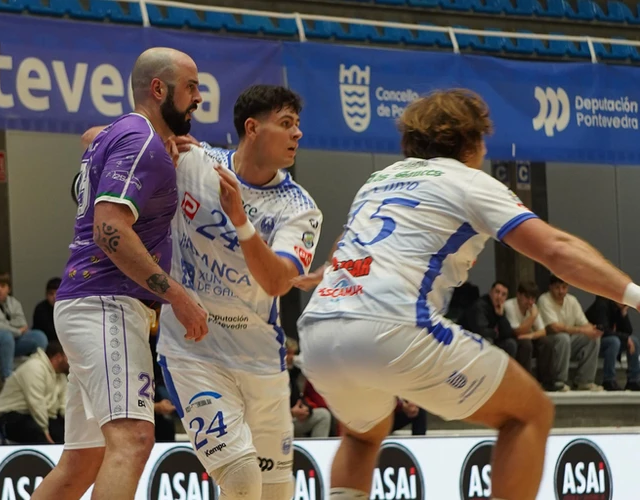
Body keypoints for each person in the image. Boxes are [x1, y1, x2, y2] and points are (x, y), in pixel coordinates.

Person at [295, 89, 640, 500]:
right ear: (471, 142)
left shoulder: (378, 180)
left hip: (320, 330)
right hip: (392, 326)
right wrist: (634, 294)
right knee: (529, 412)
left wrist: (326, 271)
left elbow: (345, 247)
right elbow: (556, 250)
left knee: (363, 434)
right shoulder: (468, 181)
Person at [31, 48, 208, 500]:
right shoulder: (141, 141)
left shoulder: (129, 135)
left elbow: (89, 135)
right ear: (159, 89)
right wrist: (177, 296)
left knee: (82, 463)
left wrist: (161, 145)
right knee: (133, 439)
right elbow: (109, 228)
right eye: (191, 87)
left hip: (86, 302)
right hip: (106, 303)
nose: (198, 98)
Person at [156, 85, 321, 500]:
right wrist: (156, 144)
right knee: (243, 481)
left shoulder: (299, 207)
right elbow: (94, 139)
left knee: (276, 494)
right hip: (194, 353)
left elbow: (278, 283)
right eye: (286, 124)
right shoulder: (193, 163)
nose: (297, 133)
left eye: (298, 124)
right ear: (252, 128)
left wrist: (241, 222)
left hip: (261, 362)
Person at [0, 273, 48, 380]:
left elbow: (22, 323)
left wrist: (4, 325)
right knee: (5, 336)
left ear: (9, 289)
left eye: (3, 286)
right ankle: (7, 378)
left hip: (10, 342)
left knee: (39, 336)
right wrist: (16, 331)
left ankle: (37, 373)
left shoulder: (14, 303)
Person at [0, 341, 69, 444]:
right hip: (10, 415)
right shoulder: (34, 368)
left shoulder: (61, 376)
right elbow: (36, 403)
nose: (73, 361)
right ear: (58, 357)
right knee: (37, 434)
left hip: (40, 415)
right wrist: (45, 431)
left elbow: (64, 405)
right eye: (69, 357)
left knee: (66, 435)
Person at [585, 295, 640, 391]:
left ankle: (633, 380)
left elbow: (628, 332)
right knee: (614, 341)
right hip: (593, 342)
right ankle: (608, 380)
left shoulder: (618, 307)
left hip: (610, 340)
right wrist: (625, 338)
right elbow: (603, 330)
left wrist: (623, 314)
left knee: (634, 341)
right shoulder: (602, 304)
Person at [33, 277, 61, 342]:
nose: (54, 297)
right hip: (45, 342)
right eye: (51, 294)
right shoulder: (40, 309)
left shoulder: (68, 308)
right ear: (46, 295)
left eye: (58, 293)